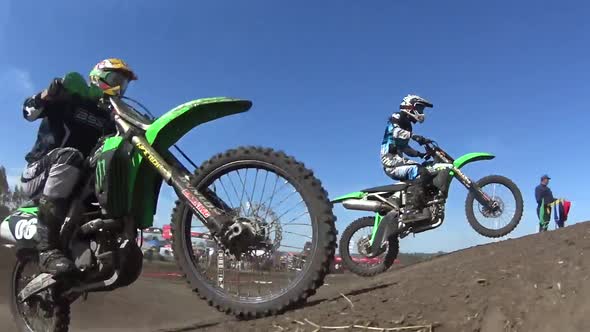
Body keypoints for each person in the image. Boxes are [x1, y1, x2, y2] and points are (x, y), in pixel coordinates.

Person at [20, 58, 137, 276]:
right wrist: (49, 93)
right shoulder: (70, 96)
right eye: (114, 80)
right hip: (39, 173)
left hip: (76, 185)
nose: (119, 88)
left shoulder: (108, 117)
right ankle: (47, 249)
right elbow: (28, 112)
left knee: (111, 172)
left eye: (123, 84)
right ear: (97, 77)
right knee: (71, 156)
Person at [380, 94, 438, 222]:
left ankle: (417, 203)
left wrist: (420, 154)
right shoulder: (397, 116)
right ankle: (411, 211)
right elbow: (396, 132)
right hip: (390, 162)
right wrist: (415, 136)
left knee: (426, 168)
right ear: (410, 107)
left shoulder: (407, 126)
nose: (422, 113)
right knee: (419, 172)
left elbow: (405, 148)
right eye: (420, 109)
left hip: (397, 160)